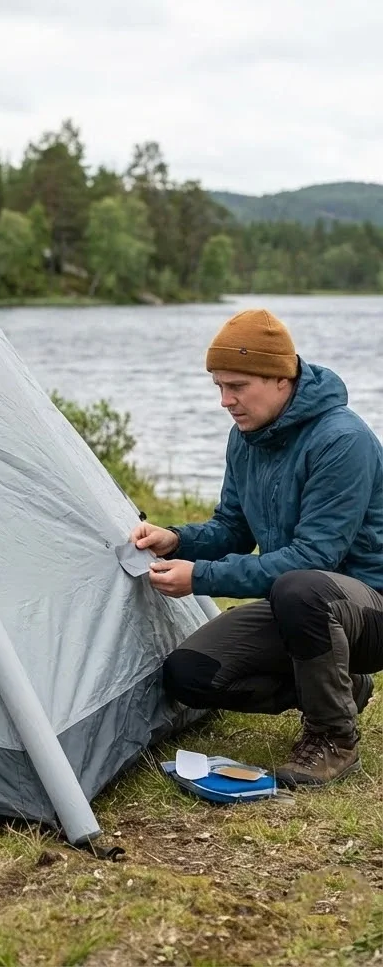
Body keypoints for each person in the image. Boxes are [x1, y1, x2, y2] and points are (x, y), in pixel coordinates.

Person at [130, 308, 383, 787]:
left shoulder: (342, 440)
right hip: (301, 604)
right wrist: (177, 539)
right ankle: (341, 684)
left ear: (281, 379)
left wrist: (200, 578)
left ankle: (333, 736)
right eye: (219, 387)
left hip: (368, 610)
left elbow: (314, 559)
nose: (226, 401)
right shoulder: (245, 437)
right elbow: (232, 528)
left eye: (237, 386)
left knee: (299, 588)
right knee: (189, 675)